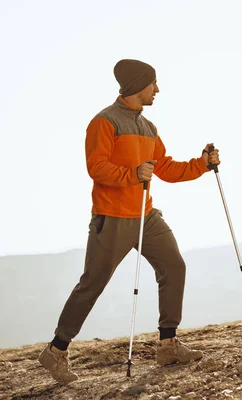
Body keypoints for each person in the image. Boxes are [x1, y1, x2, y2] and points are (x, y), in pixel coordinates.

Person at [37, 59, 220, 383]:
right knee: (92, 284)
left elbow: (165, 167)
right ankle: (55, 352)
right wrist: (132, 174)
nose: (158, 90)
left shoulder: (149, 128)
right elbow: (97, 167)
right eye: (154, 84)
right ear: (138, 86)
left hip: (145, 216)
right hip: (112, 218)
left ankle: (167, 344)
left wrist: (202, 164)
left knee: (174, 266)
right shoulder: (104, 122)